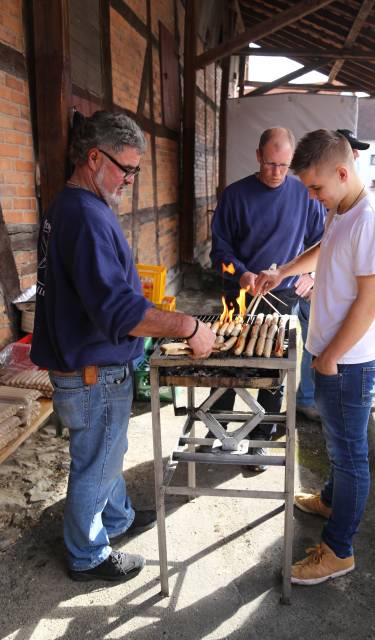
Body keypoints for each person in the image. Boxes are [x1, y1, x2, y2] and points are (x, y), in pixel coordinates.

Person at [30, 111, 215, 584]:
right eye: (125, 169)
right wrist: (189, 327)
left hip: (91, 366)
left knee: (108, 449)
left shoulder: (71, 207)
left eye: (135, 171)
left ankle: (116, 520)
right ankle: (87, 555)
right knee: (95, 463)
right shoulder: (85, 216)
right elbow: (118, 312)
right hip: (92, 371)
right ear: (93, 158)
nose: (130, 180)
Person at [255, 129, 375, 585]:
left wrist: (331, 355)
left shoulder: (371, 220)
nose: (313, 198)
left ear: (342, 171)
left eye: (316, 188)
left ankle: (338, 550)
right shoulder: (341, 207)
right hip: (335, 354)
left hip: (350, 361)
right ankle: (332, 500)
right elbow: (324, 251)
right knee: (339, 444)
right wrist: (281, 271)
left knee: (351, 454)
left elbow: (371, 301)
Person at [210, 127, 325, 469]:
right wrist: (242, 273)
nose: (277, 172)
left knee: (272, 368)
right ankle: (221, 431)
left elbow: (321, 243)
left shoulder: (303, 194)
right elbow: (220, 250)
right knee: (229, 360)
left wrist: (309, 275)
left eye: (284, 165)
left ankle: (261, 438)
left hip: (283, 295)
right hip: (239, 293)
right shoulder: (234, 195)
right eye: (271, 163)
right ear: (258, 156)